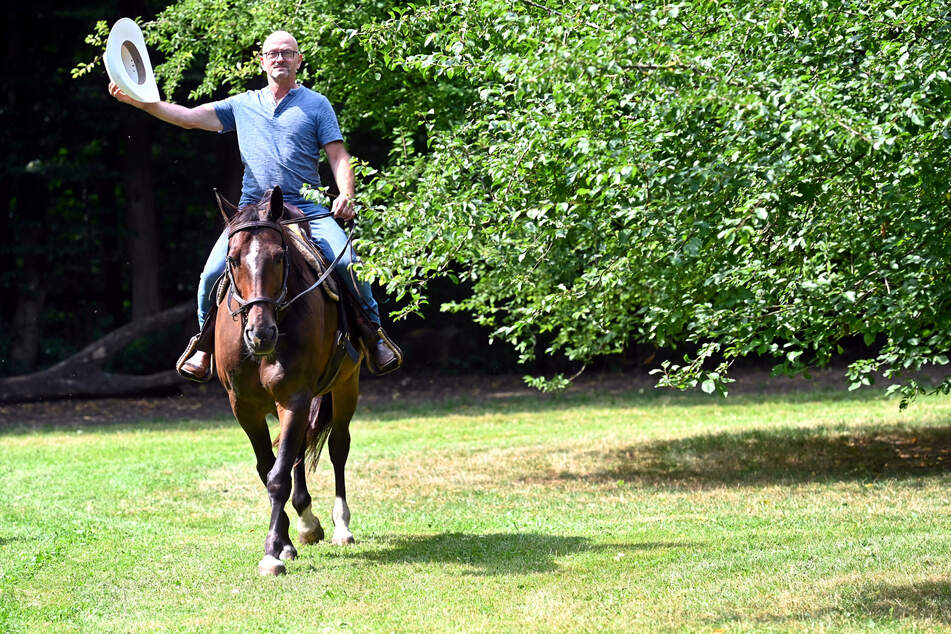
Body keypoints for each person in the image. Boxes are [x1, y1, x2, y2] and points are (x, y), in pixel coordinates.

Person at [109, 30, 400, 379]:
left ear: (299, 60)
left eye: (287, 53)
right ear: (261, 61)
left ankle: (374, 338)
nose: (280, 58)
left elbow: (337, 155)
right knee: (210, 275)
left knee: (350, 265)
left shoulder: (317, 104)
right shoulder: (241, 105)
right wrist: (140, 102)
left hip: (307, 209)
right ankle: (203, 347)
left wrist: (346, 194)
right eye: (273, 53)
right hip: (253, 211)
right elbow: (187, 117)